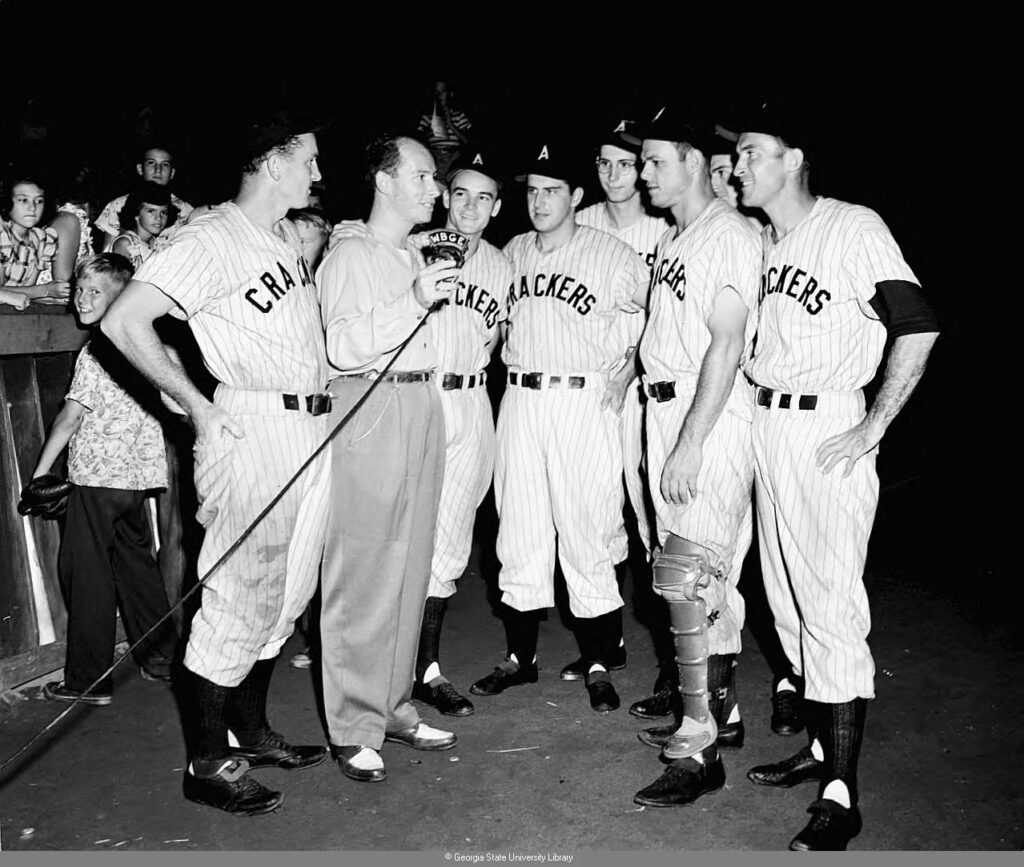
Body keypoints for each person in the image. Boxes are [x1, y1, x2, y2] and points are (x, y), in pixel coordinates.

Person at [101, 112, 332, 817]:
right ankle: (207, 760)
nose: (319, 175)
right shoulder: (210, 236)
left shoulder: (277, 239)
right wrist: (198, 406)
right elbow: (122, 321)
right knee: (236, 594)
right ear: (271, 162)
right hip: (252, 426)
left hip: (307, 427)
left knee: (285, 593)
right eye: (309, 161)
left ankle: (254, 730)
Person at [732, 102, 940, 850]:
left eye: (753, 152)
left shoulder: (852, 225)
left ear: (793, 158)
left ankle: (842, 794)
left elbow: (916, 321)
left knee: (830, 606)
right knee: (785, 602)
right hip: (768, 423)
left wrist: (873, 425)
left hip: (827, 427)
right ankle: (820, 749)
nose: (740, 165)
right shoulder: (761, 239)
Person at [607, 107, 759, 809]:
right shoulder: (677, 236)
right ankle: (708, 717)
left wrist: (692, 440)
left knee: (687, 577)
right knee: (690, 581)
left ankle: (697, 747)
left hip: (710, 415)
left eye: (654, 162)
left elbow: (725, 344)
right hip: (664, 405)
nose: (643, 174)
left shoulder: (726, 234)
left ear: (694, 163)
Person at [468, 140, 647, 714]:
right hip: (520, 400)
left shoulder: (611, 254)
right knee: (517, 528)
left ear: (576, 196)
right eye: (532, 191)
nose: (540, 201)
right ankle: (520, 659)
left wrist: (632, 369)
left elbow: (667, 315)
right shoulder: (512, 252)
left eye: (552, 191)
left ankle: (598, 661)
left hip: (582, 400)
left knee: (588, 527)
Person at [317, 134, 459, 784]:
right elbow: (343, 345)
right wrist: (416, 300)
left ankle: (392, 702)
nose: (436, 190)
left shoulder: (410, 254)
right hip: (370, 405)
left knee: (412, 563)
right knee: (365, 567)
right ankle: (351, 725)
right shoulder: (349, 253)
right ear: (385, 180)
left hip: (420, 402)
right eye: (424, 177)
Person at [32, 253, 178, 706]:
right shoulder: (152, 343)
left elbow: (72, 416)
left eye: (96, 291)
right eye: (79, 289)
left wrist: (39, 473)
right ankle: (162, 659)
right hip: (135, 482)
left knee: (86, 574)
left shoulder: (98, 349)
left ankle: (88, 681)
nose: (82, 298)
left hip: (96, 479)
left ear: (121, 298)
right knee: (135, 567)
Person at [410, 151, 513, 717]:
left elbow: (496, 341)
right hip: (420, 395)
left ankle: (426, 668)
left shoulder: (503, 266)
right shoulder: (412, 247)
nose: (470, 206)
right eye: (460, 194)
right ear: (445, 198)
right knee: (403, 534)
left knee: (449, 541)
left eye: (483, 198)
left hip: (473, 399)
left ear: (496, 209)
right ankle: (389, 663)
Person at [569, 118, 670, 690]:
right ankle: (607, 645)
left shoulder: (663, 225)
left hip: (648, 382)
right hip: (594, 390)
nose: (613, 175)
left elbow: (669, 314)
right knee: (598, 510)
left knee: (652, 512)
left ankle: (670, 657)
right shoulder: (581, 223)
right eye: (603, 164)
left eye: (625, 164)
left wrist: (632, 364)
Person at [95, 144, 193, 251]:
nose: (158, 170)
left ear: (172, 172)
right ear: (140, 169)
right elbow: (107, 253)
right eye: (151, 163)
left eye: (165, 164)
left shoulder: (185, 211)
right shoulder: (119, 204)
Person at [1, 173, 69, 305]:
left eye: (39, 201)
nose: (32, 208)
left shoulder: (42, 239)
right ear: (7, 202)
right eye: (23, 200)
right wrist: (45, 290)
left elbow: (26, 291)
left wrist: (46, 295)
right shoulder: (3, 235)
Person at [111, 181, 177, 268]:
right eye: (151, 211)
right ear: (136, 214)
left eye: (163, 212)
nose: (158, 218)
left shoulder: (159, 243)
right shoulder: (126, 243)